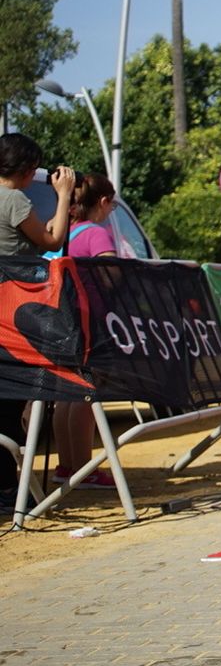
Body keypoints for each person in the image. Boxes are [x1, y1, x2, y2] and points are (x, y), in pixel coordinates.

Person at [0, 134, 75, 498]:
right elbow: (53, 241)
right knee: (10, 401)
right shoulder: (13, 199)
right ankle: (6, 488)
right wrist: (63, 195)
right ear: (28, 169)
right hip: (12, 309)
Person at [48, 173, 120, 489]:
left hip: (63, 321)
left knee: (66, 394)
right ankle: (83, 468)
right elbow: (112, 275)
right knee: (87, 394)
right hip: (90, 322)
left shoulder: (66, 232)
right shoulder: (96, 234)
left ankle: (68, 466)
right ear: (103, 202)